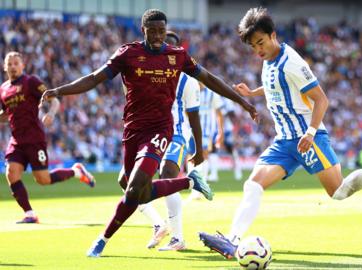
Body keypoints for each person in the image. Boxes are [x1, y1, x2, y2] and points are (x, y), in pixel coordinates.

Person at [40, 9, 257, 258]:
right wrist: (59, 91)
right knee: (136, 190)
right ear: (143, 30)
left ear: (166, 31)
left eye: (161, 31)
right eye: (152, 30)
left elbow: (210, 79)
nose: (157, 35)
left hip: (160, 130)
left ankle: (102, 240)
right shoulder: (128, 54)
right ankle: (189, 182)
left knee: (133, 189)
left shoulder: (177, 56)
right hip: (132, 131)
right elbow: (93, 78)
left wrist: (243, 102)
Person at [199, 7, 362, 259]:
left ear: (273, 35)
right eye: (253, 46)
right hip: (284, 142)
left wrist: (310, 133)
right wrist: (252, 93)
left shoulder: (292, 62)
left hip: (308, 139)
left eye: (260, 42)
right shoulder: (268, 61)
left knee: (339, 192)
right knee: (253, 184)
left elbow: (321, 100)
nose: (258, 50)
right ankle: (232, 242)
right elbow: (277, 87)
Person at [125, 31, 204, 251]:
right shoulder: (144, 76)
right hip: (149, 133)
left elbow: (194, 116)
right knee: (128, 181)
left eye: (170, 48)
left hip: (176, 135)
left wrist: (199, 148)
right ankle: (159, 224)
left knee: (168, 175)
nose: (164, 51)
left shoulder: (188, 81)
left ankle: (178, 238)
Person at [0, 51, 95, 224]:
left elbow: (55, 100)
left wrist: (51, 113)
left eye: (16, 63)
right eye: (9, 64)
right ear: (4, 67)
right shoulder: (3, 89)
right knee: (11, 173)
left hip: (34, 139)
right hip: (16, 140)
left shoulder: (31, 82)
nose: (13, 66)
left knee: (43, 180)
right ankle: (29, 213)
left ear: (22, 65)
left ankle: (76, 171)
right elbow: (6, 114)